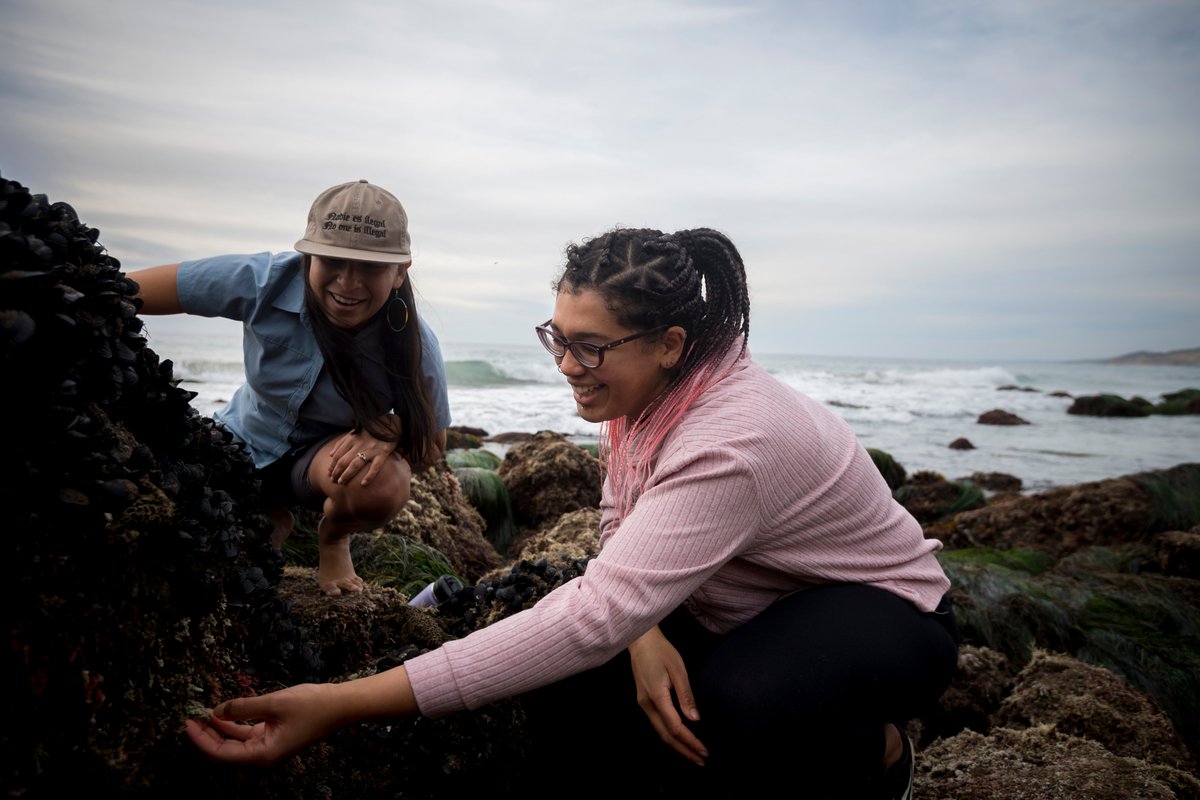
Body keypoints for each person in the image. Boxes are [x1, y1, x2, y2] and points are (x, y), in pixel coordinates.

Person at [185, 226, 958, 799]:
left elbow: (593, 613)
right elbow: (620, 516)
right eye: (558, 336)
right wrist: (647, 632)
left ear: (669, 344)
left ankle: (882, 755)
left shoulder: (734, 439)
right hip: (742, 600)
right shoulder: (635, 392)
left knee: (732, 707)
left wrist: (338, 705)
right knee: (574, 704)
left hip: (884, 612)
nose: (564, 366)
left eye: (588, 346)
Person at [134, 179, 451, 596]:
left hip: (320, 466)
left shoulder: (414, 344)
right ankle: (268, 513)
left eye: (371, 266)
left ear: (399, 272)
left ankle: (333, 538)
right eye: (332, 260)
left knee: (383, 485)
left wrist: (391, 433)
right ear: (308, 256)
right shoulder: (264, 280)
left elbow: (433, 446)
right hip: (237, 444)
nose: (348, 283)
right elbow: (126, 291)